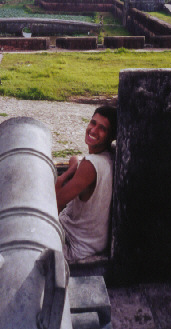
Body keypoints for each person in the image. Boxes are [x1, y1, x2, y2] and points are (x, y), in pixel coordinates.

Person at [56, 105, 117, 262]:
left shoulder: (90, 165)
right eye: (93, 123)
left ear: (111, 136)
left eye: (102, 128)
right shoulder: (107, 157)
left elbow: (56, 204)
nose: (93, 130)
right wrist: (74, 165)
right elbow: (75, 159)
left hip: (75, 245)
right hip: (91, 242)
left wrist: (62, 179)